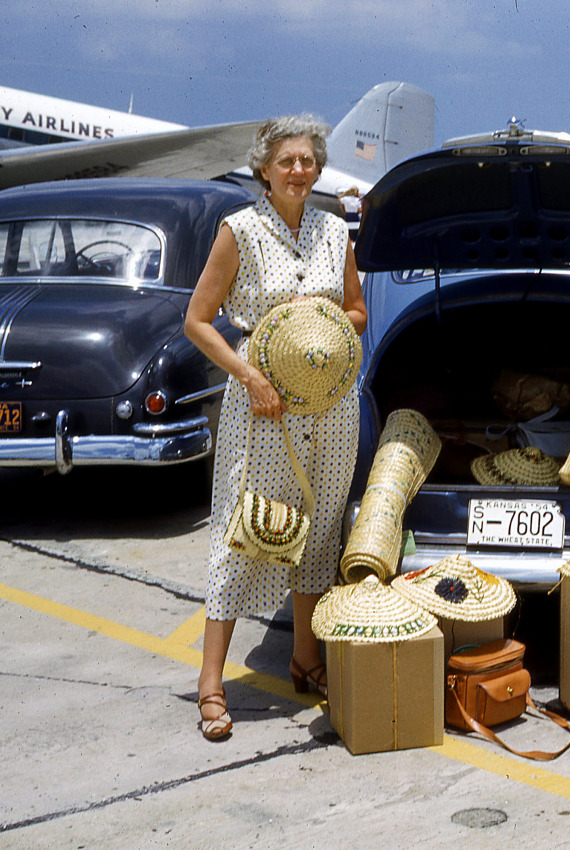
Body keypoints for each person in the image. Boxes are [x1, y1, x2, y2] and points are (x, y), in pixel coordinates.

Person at [185, 114, 368, 740]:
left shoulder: (333, 228)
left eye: (308, 161)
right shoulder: (239, 230)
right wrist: (253, 376)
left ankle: (305, 658)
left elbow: (357, 310)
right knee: (247, 532)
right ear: (263, 168)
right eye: (287, 161)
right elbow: (198, 321)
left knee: (316, 536)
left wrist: (324, 327)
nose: (299, 171)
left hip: (331, 406)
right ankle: (211, 681)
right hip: (263, 410)